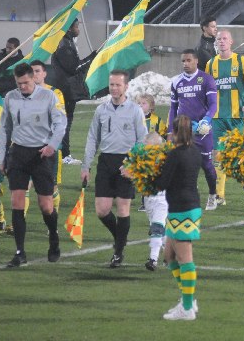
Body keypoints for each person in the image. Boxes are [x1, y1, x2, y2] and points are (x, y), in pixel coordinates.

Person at [0, 63, 66, 267]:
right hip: (18, 153)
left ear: (34, 79)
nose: (22, 87)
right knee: (17, 203)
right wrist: (1, 157)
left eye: (26, 83)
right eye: (19, 84)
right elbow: (4, 128)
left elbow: (61, 124)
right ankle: (20, 252)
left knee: (46, 206)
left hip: (41, 154)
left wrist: (52, 146)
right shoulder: (10, 97)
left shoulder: (48, 97)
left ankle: (53, 237)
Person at [81, 70, 146, 268]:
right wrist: (86, 165)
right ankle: (120, 238)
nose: (114, 88)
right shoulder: (101, 110)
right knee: (102, 210)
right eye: (111, 85)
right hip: (106, 161)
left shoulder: (135, 110)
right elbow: (93, 137)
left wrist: (132, 165)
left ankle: (118, 252)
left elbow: (142, 140)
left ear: (126, 87)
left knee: (123, 208)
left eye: (118, 85)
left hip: (126, 162)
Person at [153, 115, 202, 321]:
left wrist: (142, 173)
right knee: (169, 257)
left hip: (182, 210)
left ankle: (188, 308)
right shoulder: (195, 151)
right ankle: (187, 299)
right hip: (187, 207)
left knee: (185, 259)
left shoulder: (175, 155)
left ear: (175, 132)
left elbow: (162, 183)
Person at [205, 30, 244, 208]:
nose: (221, 42)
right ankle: (219, 195)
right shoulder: (210, 64)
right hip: (218, 117)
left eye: (224, 39)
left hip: (237, 117)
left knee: (239, 158)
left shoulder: (240, 61)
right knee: (218, 156)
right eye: (219, 39)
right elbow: (206, 89)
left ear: (231, 42)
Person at [169, 50, 219, 208]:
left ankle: (212, 194)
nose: (185, 64)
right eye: (183, 61)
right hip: (183, 131)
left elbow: (213, 104)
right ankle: (190, 191)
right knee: (182, 164)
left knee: (207, 165)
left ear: (196, 61)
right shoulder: (176, 81)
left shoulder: (206, 79)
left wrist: (206, 120)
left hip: (202, 131)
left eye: (188, 60)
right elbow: (173, 107)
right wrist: (171, 130)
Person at [48, 18, 96, 165]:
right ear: (69, 28)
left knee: (65, 122)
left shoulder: (66, 42)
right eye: (77, 26)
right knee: (64, 122)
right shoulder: (64, 44)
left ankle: (63, 153)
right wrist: (93, 57)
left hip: (67, 90)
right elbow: (74, 68)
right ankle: (63, 154)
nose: (79, 29)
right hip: (65, 91)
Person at [30, 60, 65, 215]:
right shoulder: (23, 93)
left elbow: (60, 119)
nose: (34, 74)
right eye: (31, 71)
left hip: (50, 146)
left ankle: (53, 219)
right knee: (24, 185)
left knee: (52, 187)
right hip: (28, 145)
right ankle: (18, 223)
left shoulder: (55, 93)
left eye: (37, 71)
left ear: (44, 73)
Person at [139, 132, 169, 271]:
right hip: (148, 199)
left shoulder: (164, 160)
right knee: (159, 229)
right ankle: (170, 254)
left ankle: (153, 259)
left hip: (162, 199)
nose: (145, 147)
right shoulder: (143, 158)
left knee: (156, 227)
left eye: (148, 145)